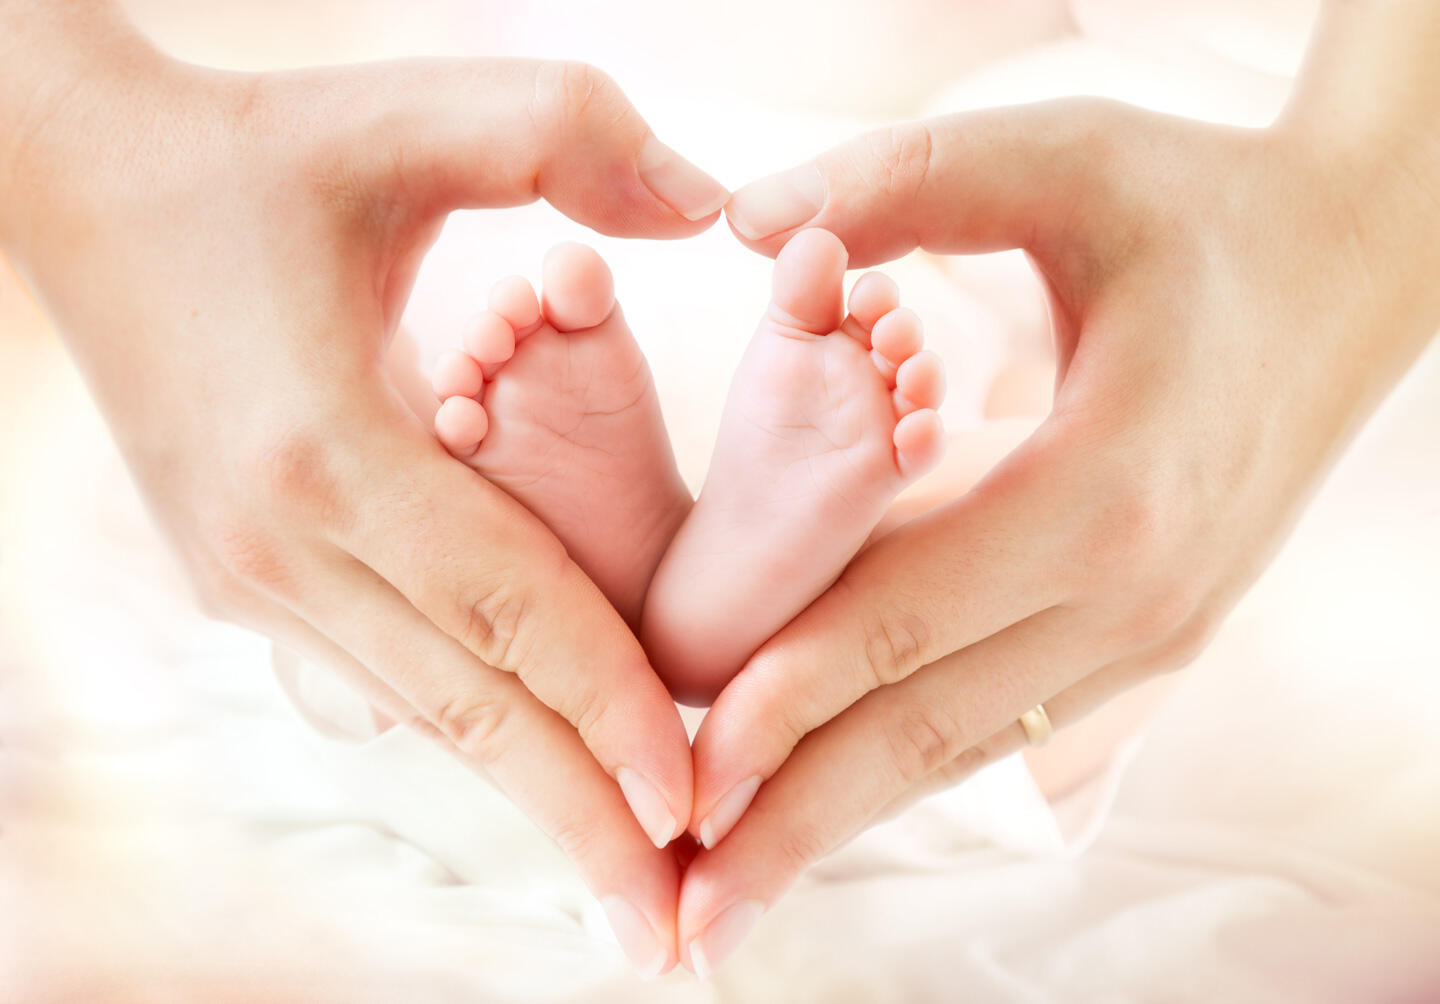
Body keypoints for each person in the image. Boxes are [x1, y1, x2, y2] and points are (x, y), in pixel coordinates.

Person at [671, 0, 1440, 976]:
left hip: (1295, 197)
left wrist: (1365, 224)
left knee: (1073, 552)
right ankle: (739, 591)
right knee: (1035, 577)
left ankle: (713, 592)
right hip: (1171, 156)